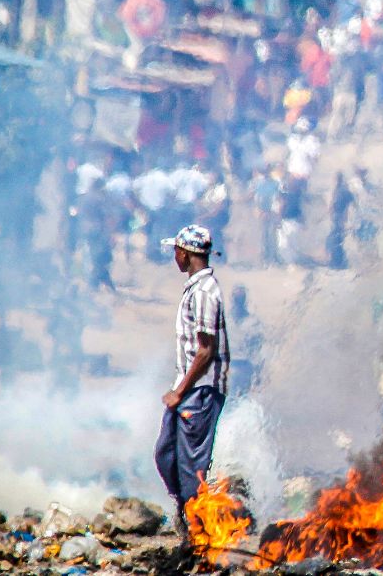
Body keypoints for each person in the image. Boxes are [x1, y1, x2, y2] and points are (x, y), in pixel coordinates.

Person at [154, 224, 230, 540]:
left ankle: (199, 534)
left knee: (191, 469)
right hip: (189, 389)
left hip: (201, 391)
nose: (175, 256)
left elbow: (205, 351)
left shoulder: (204, 293)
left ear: (185, 254)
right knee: (166, 454)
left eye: (176, 251)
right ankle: (187, 514)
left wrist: (179, 391)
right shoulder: (195, 289)